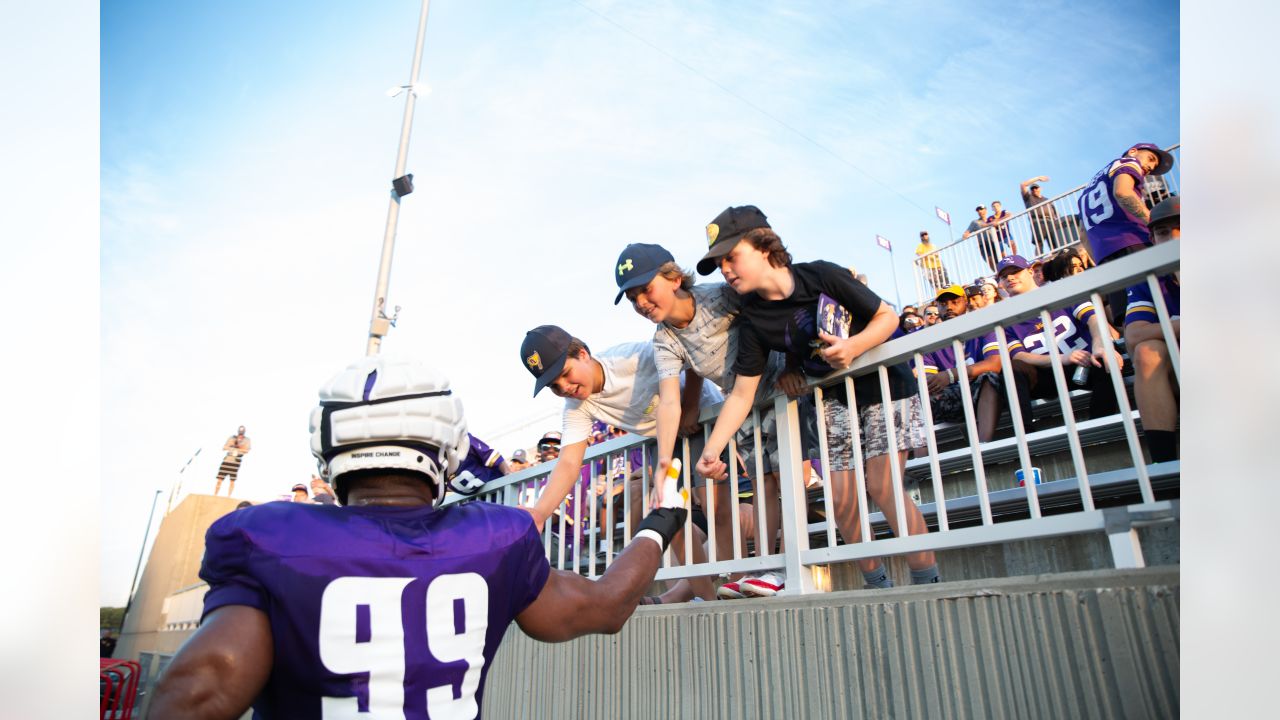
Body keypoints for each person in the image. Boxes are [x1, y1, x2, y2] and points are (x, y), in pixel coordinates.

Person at [146, 356, 688, 720]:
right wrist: (659, 522)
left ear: (329, 444)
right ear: (446, 441)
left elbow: (201, 690)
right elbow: (604, 607)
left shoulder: (270, 538)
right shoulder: (496, 538)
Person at [692, 205, 941, 590]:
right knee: (841, 501)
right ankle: (877, 584)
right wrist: (712, 449)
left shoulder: (820, 274)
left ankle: (929, 582)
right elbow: (742, 393)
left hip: (884, 386)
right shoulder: (754, 319)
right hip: (833, 399)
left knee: (882, 486)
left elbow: (887, 317)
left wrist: (852, 346)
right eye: (719, 262)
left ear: (763, 245)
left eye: (731, 256)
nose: (725, 269)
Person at [613, 241, 791, 598]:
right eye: (633, 298)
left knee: (791, 479)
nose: (641, 303)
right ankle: (770, 571)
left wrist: (795, 363)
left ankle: (796, 567)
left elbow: (777, 310)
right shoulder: (664, 339)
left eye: (646, 290)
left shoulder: (721, 298)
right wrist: (665, 461)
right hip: (746, 405)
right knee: (764, 484)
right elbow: (669, 402)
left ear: (675, 278)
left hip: (787, 386)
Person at [518, 324, 724, 601]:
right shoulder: (577, 406)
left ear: (582, 354)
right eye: (554, 386)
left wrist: (690, 405)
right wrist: (540, 513)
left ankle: (736, 582)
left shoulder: (631, 359)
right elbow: (568, 463)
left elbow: (688, 359)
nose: (565, 387)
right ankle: (708, 600)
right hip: (661, 437)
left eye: (565, 374)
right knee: (670, 513)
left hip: (703, 416)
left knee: (715, 504)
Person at [997, 255, 1125, 425]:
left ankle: (1100, 427)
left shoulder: (1061, 291)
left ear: (1030, 271)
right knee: (1012, 370)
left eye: (1015, 272)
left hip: (1084, 364)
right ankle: (1026, 438)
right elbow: (1019, 356)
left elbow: (1094, 320)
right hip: (1047, 372)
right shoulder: (1005, 318)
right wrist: (1062, 358)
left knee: (1105, 356)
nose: (1010, 278)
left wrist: (1098, 345)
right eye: (1004, 276)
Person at [1077, 142, 1175, 324]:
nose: (1150, 167)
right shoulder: (1128, 162)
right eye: (1151, 159)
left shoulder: (1090, 186)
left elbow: (1083, 234)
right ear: (1133, 152)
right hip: (1134, 241)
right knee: (1163, 310)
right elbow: (1123, 192)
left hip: (1105, 255)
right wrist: (1153, 223)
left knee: (1131, 320)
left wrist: (1100, 262)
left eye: (1153, 167)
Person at [1123, 196, 1180, 463]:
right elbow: (1134, 335)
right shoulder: (1151, 280)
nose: (1173, 238)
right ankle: (1165, 465)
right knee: (1147, 351)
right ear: (1154, 240)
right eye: (1163, 232)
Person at [915, 285, 1005, 442]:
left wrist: (950, 375)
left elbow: (994, 363)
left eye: (954, 302)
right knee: (916, 395)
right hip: (951, 395)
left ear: (965, 301)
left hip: (981, 389)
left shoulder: (982, 325)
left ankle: (983, 446)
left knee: (988, 378)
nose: (949, 307)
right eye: (943, 304)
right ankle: (923, 461)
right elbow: (929, 378)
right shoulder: (931, 338)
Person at [1019, 176, 1061, 255]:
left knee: (1055, 243)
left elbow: (1055, 213)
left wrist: (1058, 221)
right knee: (1039, 243)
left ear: (1040, 189)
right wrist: (1038, 178)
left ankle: (1056, 258)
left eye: (1036, 188)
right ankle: (1039, 261)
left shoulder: (1047, 200)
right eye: (1032, 189)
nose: (1034, 189)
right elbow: (1023, 185)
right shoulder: (1028, 197)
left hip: (1051, 221)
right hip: (1037, 222)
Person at [213, 425, 251, 497]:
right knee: (219, 479)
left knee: (232, 480)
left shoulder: (246, 440)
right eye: (240, 430)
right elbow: (224, 447)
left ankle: (229, 496)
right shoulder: (232, 438)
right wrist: (232, 447)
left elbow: (247, 450)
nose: (241, 431)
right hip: (227, 460)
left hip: (236, 461)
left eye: (242, 430)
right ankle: (215, 494)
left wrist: (238, 449)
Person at [963, 205, 1000, 272]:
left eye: (981, 209)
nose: (980, 211)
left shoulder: (991, 219)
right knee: (990, 260)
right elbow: (967, 231)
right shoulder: (975, 222)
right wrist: (965, 234)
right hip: (983, 245)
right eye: (978, 210)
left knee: (1000, 259)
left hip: (994, 242)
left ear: (985, 210)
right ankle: (997, 273)